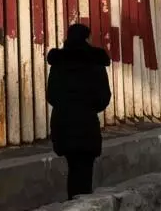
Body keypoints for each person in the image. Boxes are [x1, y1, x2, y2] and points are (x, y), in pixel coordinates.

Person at [47, 23, 112, 199]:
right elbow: (103, 98)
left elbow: (51, 95)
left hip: (63, 124)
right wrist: (87, 107)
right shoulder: (95, 62)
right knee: (84, 171)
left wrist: (66, 105)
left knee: (73, 168)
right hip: (86, 124)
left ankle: (72, 206)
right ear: (86, 38)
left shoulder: (58, 62)